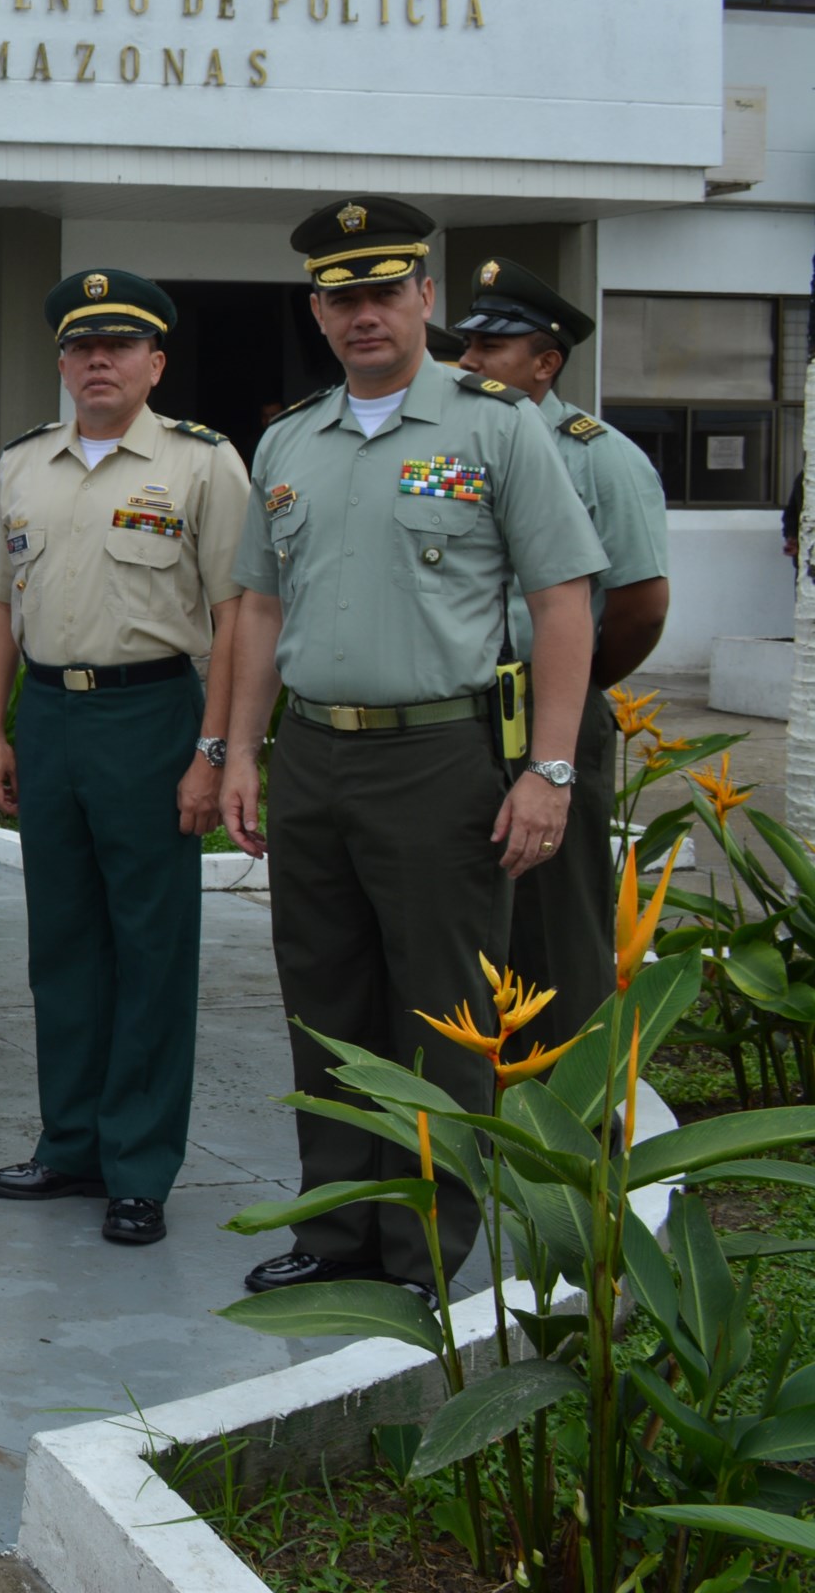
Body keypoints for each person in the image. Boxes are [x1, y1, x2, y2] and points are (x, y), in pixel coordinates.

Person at [224, 197, 601, 1301]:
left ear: (424, 299)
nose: (364, 315)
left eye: (385, 292)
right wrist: (241, 750)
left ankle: (426, 1245)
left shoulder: (496, 425)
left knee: (441, 1011)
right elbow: (255, 607)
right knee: (325, 1000)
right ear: (318, 312)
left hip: (442, 760)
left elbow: (565, 599)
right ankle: (340, 1230)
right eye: (343, 298)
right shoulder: (291, 438)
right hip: (316, 761)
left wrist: (553, 768)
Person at [0, 269, 248, 1248]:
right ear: (63, 362)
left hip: (153, 713)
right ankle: (71, 1140)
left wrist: (217, 749)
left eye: (119, 346)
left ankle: (140, 1164)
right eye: (81, 347)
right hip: (56, 722)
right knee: (63, 944)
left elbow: (241, 615)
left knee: (151, 949)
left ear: (156, 362)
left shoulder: (203, 464)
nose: (98, 362)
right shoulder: (22, 465)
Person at [452, 260, 671, 1046]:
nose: (470, 360)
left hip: (549, 717)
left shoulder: (598, 456)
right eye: (468, 344)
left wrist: (566, 691)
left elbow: (642, 607)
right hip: (459, 716)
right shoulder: (457, 443)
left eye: (493, 347)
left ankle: (572, 1127)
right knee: (463, 918)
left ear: (546, 363)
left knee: (555, 918)